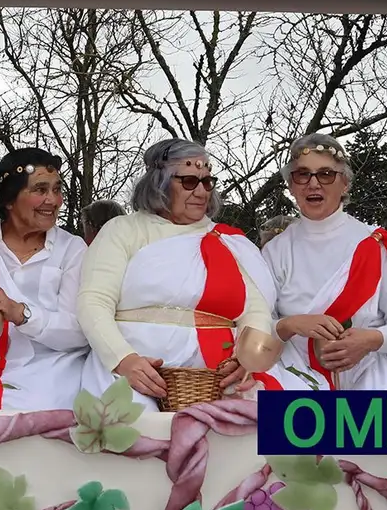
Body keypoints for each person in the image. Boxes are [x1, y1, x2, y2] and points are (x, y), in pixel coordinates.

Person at [76, 138, 311, 412]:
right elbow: (93, 302)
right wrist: (123, 360)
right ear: (159, 183)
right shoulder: (123, 230)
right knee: (132, 434)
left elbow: (255, 310)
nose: (201, 191)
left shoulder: (229, 241)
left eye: (207, 182)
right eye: (189, 181)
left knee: (289, 424)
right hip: (133, 367)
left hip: (222, 371)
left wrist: (245, 359)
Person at [261, 133, 387, 390]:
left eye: (326, 174)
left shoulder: (374, 243)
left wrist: (371, 339)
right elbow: (255, 328)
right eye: (302, 175)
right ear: (291, 186)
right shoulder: (274, 251)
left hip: (372, 372)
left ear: (345, 183)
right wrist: (290, 324)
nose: (313, 183)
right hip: (295, 376)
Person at [0, 148, 90, 410]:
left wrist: (20, 313)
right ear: (10, 200)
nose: (54, 200)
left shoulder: (72, 249)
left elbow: (80, 332)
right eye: (40, 190)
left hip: (55, 372)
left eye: (57, 189)